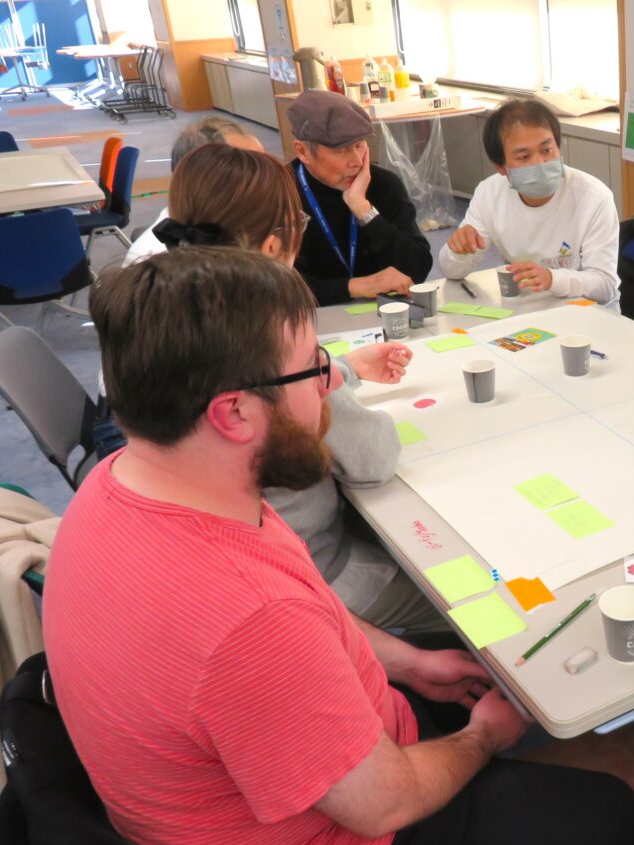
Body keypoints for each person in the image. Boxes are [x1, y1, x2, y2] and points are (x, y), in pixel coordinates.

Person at [44, 246, 634, 845]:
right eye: (312, 368)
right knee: (615, 814)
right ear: (234, 413)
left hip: (284, 781)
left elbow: (303, 613)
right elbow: (379, 804)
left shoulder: (126, 485)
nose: (332, 383)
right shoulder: (247, 621)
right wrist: (481, 740)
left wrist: (409, 665)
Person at [137, 143, 444, 632]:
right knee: (470, 601)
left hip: (208, 567)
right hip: (307, 577)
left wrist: (337, 370)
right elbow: (372, 459)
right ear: (275, 247)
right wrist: (324, 375)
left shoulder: (163, 305)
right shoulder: (275, 334)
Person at [438, 99, 620, 309]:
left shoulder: (594, 197)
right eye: (524, 156)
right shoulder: (489, 193)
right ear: (501, 168)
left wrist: (552, 279)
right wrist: (458, 252)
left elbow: (605, 285)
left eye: (547, 150)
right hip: (527, 310)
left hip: (589, 316)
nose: (539, 163)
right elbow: (452, 272)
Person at [288, 89, 432, 305]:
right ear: (303, 152)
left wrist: (365, 210)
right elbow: (277, 287)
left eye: (359, 145)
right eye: (341, 151)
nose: (356, 161)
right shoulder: (279, 191)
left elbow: (417, 270)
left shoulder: (383, 184)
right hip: (313, 319)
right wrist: (355, 286)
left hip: (384, 315)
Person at [123, 115, 264, 268]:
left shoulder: (247, 214)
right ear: (201, 180)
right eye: (252, 169)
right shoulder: (153, 264)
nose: (269, 177)